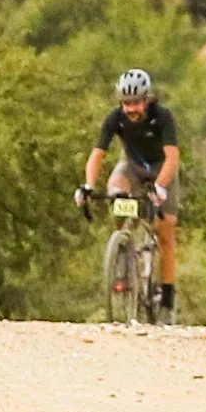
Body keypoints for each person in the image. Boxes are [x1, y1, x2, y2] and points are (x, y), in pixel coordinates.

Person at [78, 68, 180, 317]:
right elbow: (96, 156)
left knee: (165, 231)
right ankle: (121, 250)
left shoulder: (162, 117)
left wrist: (161, 186)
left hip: (161, 168)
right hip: (132, 166)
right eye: (126, 104)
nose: (131, 109)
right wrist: (88, 186)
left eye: (135, 103)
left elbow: (173, 158)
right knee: (116, 192)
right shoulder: (115, 119)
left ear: (147, 99)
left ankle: (166, 296)